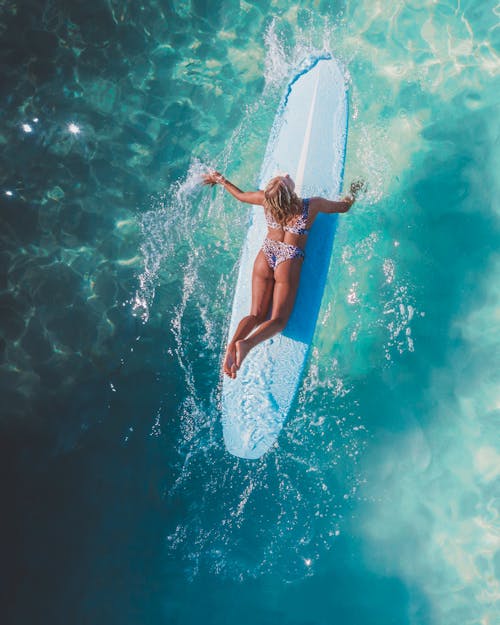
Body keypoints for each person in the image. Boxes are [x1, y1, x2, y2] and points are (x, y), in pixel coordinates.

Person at [203, 171, 364, 378]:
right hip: (287, 259)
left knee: (256, 315)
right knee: (278, 320)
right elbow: (343, 207)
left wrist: (221, 180)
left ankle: (231, 348)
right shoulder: (311, 205)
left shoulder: (265, 200)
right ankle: (247, 344)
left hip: (266, 254)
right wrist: (353, 191)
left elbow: (241, 196)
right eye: (285, 180)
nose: (286, 174)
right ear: (289, 194)